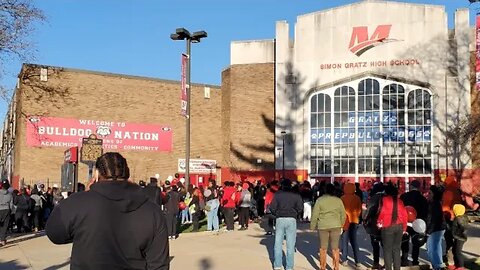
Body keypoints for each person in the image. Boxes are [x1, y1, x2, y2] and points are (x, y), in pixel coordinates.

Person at [46, 152, 170, 269]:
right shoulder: (152, 211)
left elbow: (55, 233)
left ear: (96, 174)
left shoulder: (78, 202)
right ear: (127, 174)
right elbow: (159, 264)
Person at [311, 183, 346, 270]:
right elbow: (343, 214)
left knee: (323, 248)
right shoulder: (338, 200)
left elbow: (315, 214)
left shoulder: (320, 200)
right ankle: (336, 267)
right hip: (336, 225)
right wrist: (341, 224)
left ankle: (322, 267)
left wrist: (312, 226)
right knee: (335, 248)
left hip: (323, 226)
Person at [270, 179, 303, 270]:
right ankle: (289, 266)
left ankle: (277, 265)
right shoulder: (296, 195)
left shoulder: (278, 195)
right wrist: (295, 213)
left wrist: (277, 213)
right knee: (290, 244)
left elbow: (272, 207)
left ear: (282, 185)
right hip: (291, 219)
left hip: (280, 218)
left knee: (278, 243)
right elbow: (300, 207)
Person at [377, 184, 408, 270]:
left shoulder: (385, 200)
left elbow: (382, 212)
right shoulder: (400, 201)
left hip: (387, 226)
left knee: (387, 250)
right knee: (397, 249)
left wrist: (379, 222)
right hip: (399, 226)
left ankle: (388, 268)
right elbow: (405, 215)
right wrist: (404, 228)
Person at [400, 179, 429, 266]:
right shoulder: (422, 199)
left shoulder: (404, 196)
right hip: (417, 223)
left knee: (405, 241)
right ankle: (415, 260)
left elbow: (400, 209)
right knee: (416, 242)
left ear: (411, 187)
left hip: (405, 222)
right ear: (419, 188)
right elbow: (425, 212)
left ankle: (404, 259)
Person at [363, 182, 385, 269]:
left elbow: (368, 213)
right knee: (385, 244)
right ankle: (387, 262)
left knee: (375, 244)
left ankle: (376, 262)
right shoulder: (387, 198)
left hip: (374, 225)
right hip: (386, 224)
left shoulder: (374, 198)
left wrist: (365, 217)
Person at [340, 183, 362, 267]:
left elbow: (340, 210)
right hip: (354, 221)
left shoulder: (342, 198)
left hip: (345, 221)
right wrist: (356, 216)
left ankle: (345, 260)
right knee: (354, 241)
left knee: (344, 241)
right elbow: (359, 210)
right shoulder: (357, 198)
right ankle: (358, 261)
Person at [426, 185, 447, 270]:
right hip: (437, 228)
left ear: (434, 194)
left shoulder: (435, 204)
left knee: (432, 249)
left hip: (436, 229)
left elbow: (433, 219)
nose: (428, 194)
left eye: (430, 193)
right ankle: (438, 265)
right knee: (434, 247)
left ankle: (438, 266)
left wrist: (428, 231)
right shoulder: (433, 203)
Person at [451, 204, 468, 270]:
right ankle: (457, 265)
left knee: (457, 252)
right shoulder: (465, 217)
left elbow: (453, 229)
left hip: (458, 237)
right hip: (462, 237)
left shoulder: (457, 219)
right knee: (455, 250)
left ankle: (461, 266)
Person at [0, 180, 13, 246]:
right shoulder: (10, 194)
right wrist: (11, 211)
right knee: (4, 226)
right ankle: (2, 240)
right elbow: (11, 205)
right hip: (6, 210)